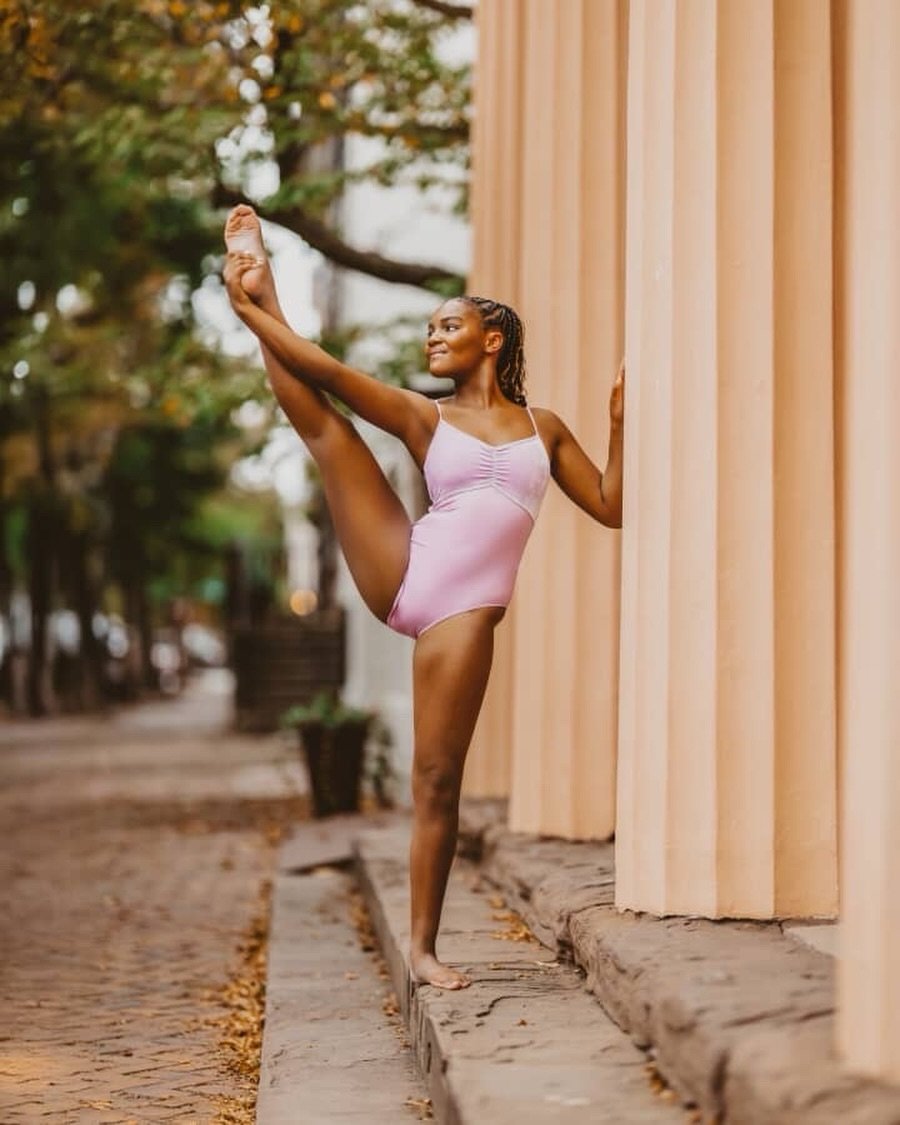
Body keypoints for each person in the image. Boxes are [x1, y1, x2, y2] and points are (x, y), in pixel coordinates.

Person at [223, 204, 624, 990]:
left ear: (492, 338)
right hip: (407, 567)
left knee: (437, 779)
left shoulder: (545, 429)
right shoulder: (422, 415)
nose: (433, 338)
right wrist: (254, 309)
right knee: (328, 428)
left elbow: (611, 503)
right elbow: (324, 373)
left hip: (463, 612)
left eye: (448, 327)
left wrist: (620, 425)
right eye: (430, 330)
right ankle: (260, 284)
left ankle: (423, 946)